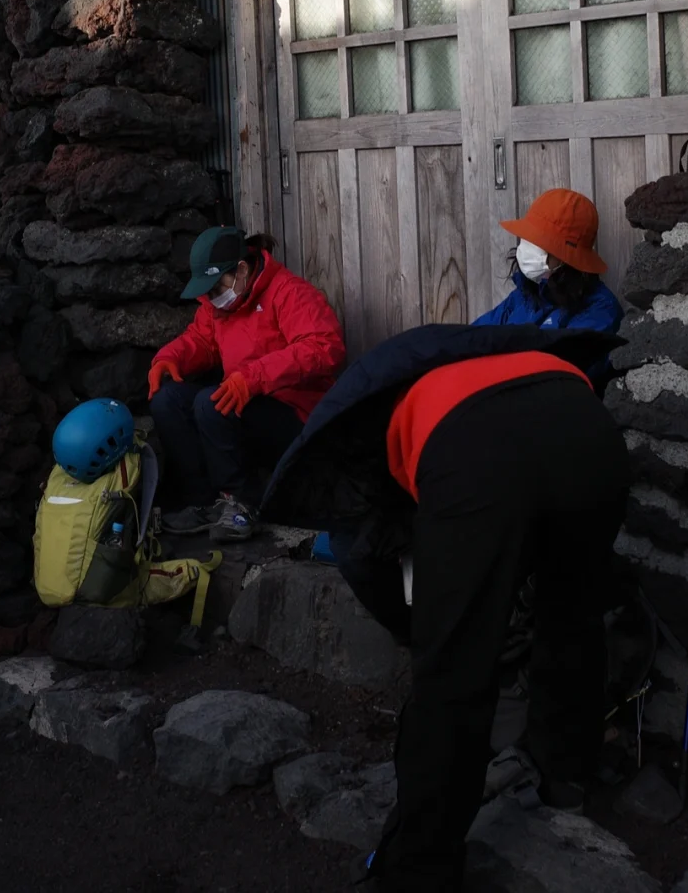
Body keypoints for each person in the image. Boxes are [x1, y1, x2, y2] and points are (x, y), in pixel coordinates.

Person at [261, 322, 630, 893]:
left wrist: (428, 632)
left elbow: (376, 553)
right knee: (572, 616)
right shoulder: (485, 359)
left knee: (454, 674)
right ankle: (565, 777)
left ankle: (418, 870)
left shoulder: (370, 453)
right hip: (589, 428)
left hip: (477, 453)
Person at [147, 226, 345, 541]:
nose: (212, 297)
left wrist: (253, 378)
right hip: (247, 406)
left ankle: (243, 504)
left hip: (299, 417)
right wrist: (168, 358)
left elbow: (324, 347)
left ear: (241, 269)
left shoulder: (289, 292)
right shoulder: (219, 306)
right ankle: (203, 502)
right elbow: (203, 340)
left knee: (212, 403)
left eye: (217, 288)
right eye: (208, 292)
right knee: (167, 400)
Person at [475, 188, 622, 392]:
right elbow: (474, 340)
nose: (526, 250)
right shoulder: (523, 296)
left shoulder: (600, 311)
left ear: (567, 258)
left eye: (539, 243)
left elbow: (554, 379)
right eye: (527, 239)